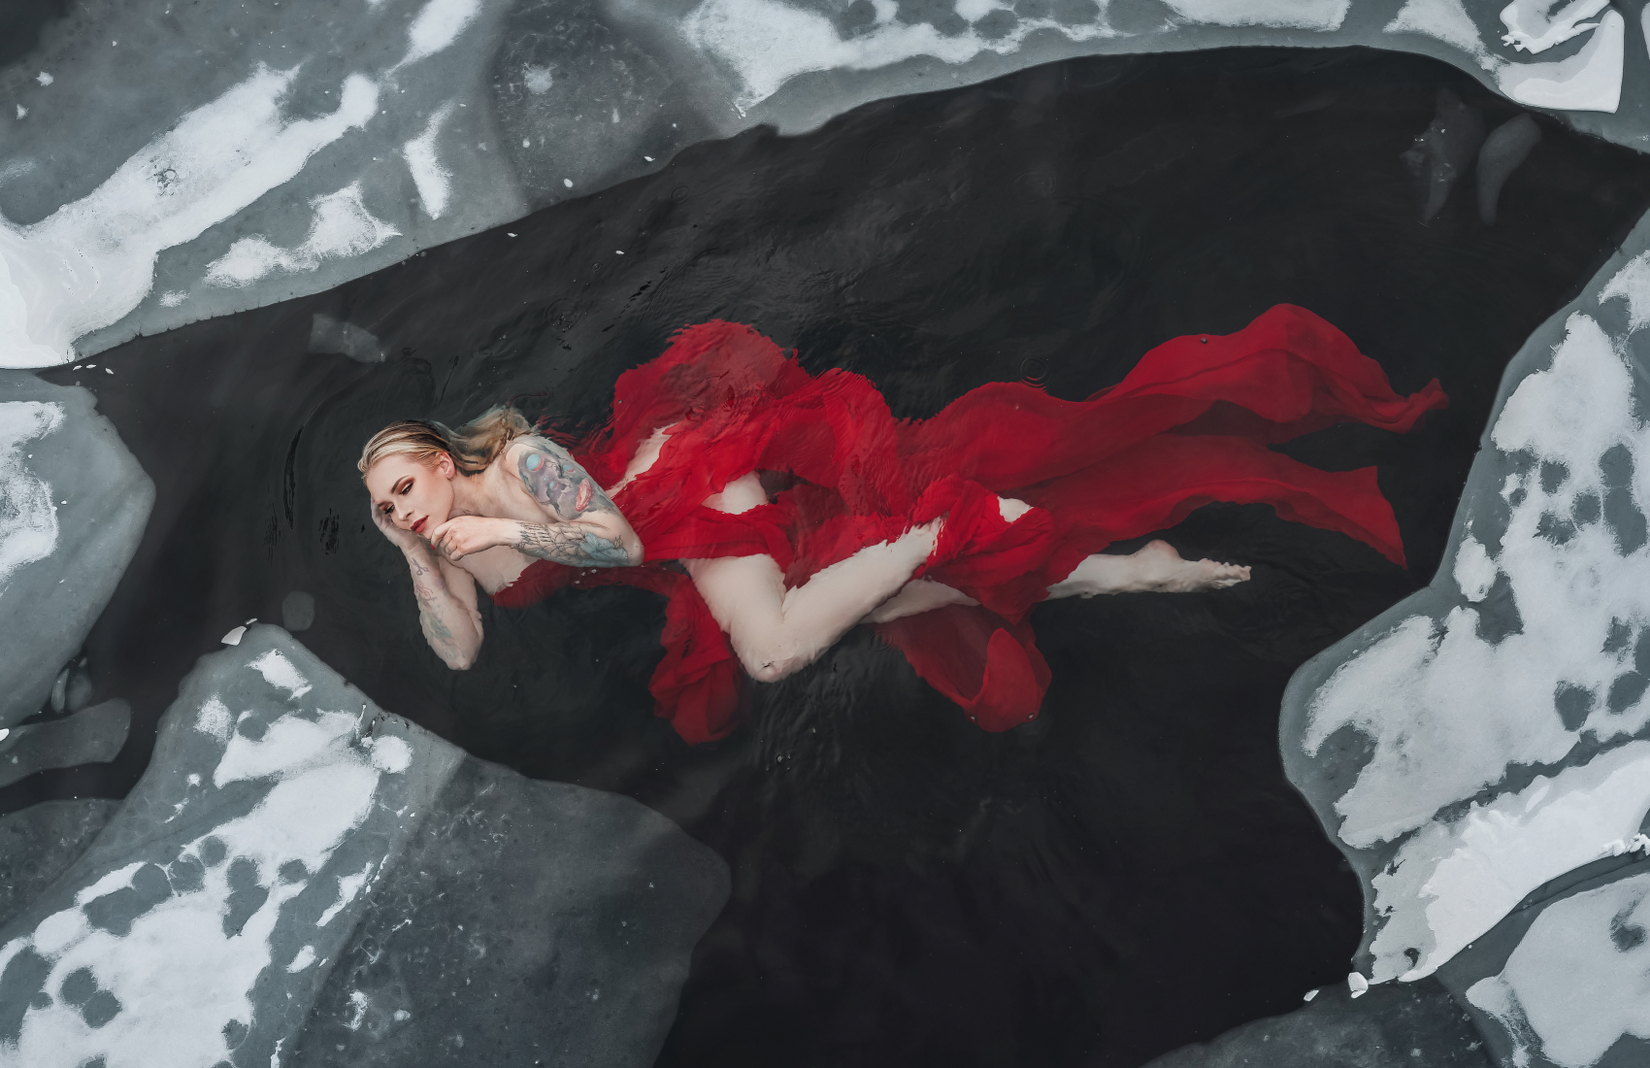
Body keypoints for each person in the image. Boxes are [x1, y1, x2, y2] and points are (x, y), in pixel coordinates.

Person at [361, 306, 1447, 743]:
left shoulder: (521, 467)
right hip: (668, 553)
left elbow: (621, 543)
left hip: (692, 490)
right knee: (868, 604)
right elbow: (460, 653)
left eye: (403, 486)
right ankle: (1122, 571)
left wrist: (505, 537)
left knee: (776, 650)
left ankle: (939, 527)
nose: (400, 506)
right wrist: (417, 559)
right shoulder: (437, 537)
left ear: (436, 456)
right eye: (384, 505)